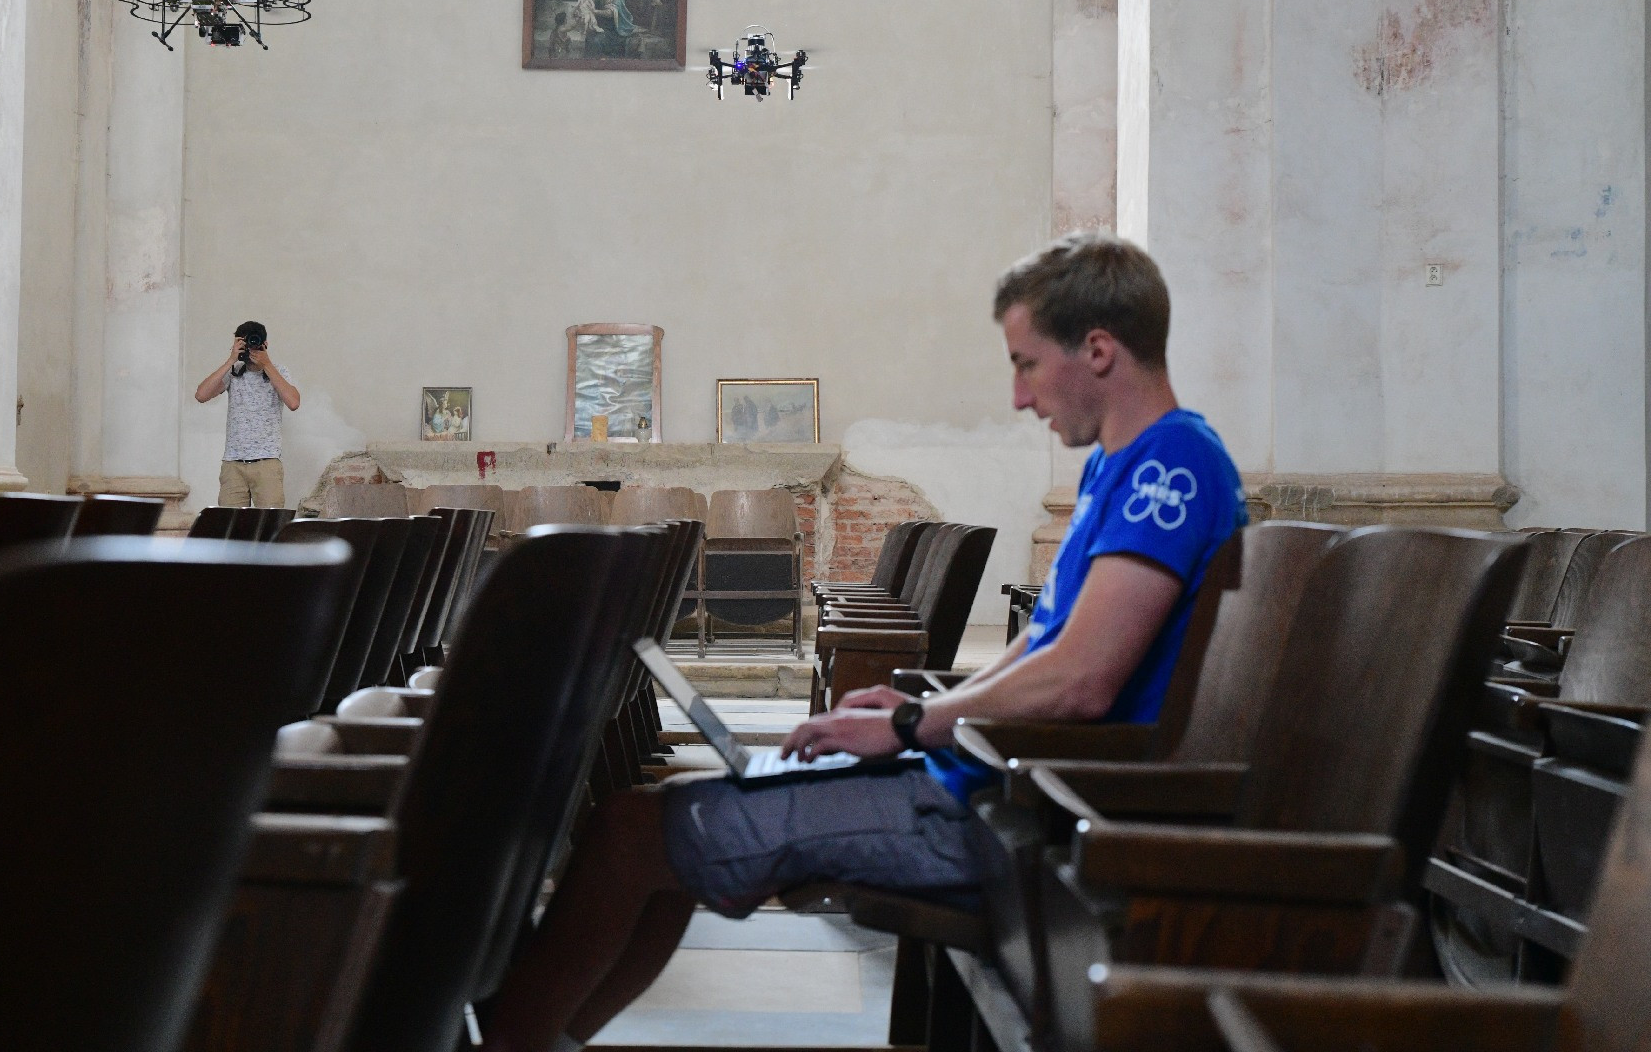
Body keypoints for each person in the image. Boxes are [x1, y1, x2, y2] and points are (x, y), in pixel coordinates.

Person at [482, 232, 1247, 1052]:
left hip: (1010, 816)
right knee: (653, 837)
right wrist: (926, 709)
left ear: (1097, 350)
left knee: (629, 834)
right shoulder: (1121, 464)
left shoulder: (1172, 465)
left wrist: (914, 725)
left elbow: (1081, 679)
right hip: (993, 784)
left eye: (1027, 364)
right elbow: (1045, 646)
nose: (1021, 397)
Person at [193, 320, 300, 507]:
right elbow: (201, 395)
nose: (251, 348)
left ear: (265, 344)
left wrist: (267, 364)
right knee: (230, 522)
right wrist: (231, 360)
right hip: (233, 463)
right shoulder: (233, 372)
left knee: (269, 521)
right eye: (245, 343)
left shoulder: (279, 371)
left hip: (267, 462)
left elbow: (293, 402)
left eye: (254, 342)